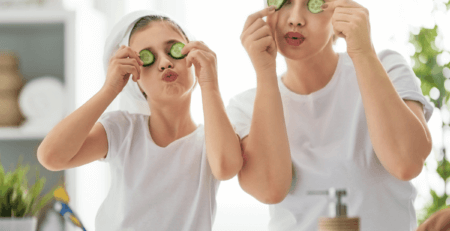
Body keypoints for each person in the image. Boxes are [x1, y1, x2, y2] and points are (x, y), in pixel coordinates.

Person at [227, 1, 434, 230]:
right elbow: (270, 189)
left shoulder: (386, 67)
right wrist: (265, 73)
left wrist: (363, 52)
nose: (295, 18)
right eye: (284, 2)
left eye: (312, 3)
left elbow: (406, 163)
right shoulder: (245, 106)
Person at [37, 10, 243, 231]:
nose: (164, 62)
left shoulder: (212, 139)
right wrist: (110, 89)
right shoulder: (123, 130)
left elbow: (226, 168)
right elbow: (51, 157)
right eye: (148, 57)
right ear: (135, 76)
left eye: (173, 49)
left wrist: (209, 83)